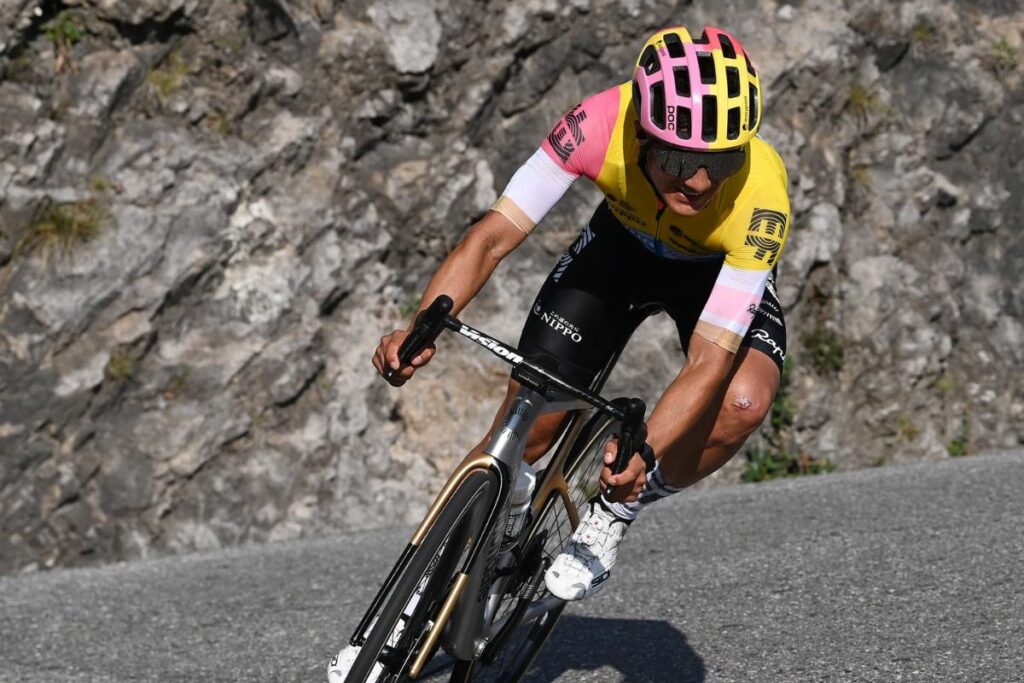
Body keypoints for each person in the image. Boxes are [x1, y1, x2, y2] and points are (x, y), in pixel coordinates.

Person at [331, 24, 790, 680]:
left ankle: (614, 512)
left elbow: (707, 361)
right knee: (530, 418)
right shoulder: (596, 123)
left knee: (745, 399)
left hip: (712, 275)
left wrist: (642, 458)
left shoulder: (761, 197)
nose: (696, 181)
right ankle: (413, 604)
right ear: (642, 134)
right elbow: (492, 236)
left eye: (717, 161)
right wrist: (423, 324)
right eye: (676, 159)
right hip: (619, 250)